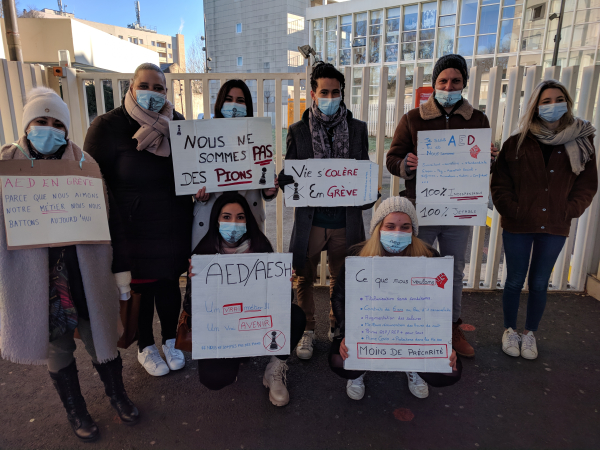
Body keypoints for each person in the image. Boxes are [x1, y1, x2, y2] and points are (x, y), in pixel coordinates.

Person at [0, 87, 139, 442]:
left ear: (66, 128)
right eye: (40, 121)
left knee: (101, 338)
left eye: (56, 123)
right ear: (27, 124)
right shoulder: (7, 166)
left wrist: (121, 273)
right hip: (38, 280)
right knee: (56, 346)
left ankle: (117, 395)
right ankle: (75, 408)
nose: (49, 130)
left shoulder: (85, 165)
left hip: (83, 274)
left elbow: (112, 223)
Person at [84, 63, 193, 376]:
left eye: (159, 88)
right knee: (141, 289)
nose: (152, 93)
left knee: (170, 284)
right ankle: (145, 346)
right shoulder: (107, 126)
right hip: (132, 230)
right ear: (130, 89)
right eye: (145, 86)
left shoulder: (179, 124)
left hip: (173, 225)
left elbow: (191, 170)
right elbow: (93, 179)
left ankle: (171, 340)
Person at [386, 54, 498, 358]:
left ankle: (450, 328)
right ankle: (412, 326)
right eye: (443, 81)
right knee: (416, 268)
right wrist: (405, 164)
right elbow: (392, 159)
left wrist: (491, 159)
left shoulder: (478, 120)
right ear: (434, 84)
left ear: (464, 83)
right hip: (422, 207)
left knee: (454, 270)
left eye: (455, 81)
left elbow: (483, 165)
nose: (449, 86)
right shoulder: (413, 118)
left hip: (460, 209)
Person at [491, 79, 597, 360]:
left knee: (539, 282)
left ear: (568, 102)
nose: (553, 105)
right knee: (514, 280)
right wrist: (512, 209)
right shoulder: (517, 142)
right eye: (546, 101)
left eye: (558, 99)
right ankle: (510, 330)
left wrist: (570, 209)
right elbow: (500, 182)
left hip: (555, 225)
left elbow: (587, 184)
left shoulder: (582, 141)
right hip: (519, 224)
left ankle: (530, 334)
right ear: (536, 106)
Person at [279, 62, 373, 360]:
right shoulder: (297, 130)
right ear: (313, 93)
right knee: (304, 277)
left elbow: (363, 173)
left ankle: (338, 326)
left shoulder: (358, 129)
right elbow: (291, 175)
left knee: (340, 277)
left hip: (345, 221)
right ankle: (307, 330)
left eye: (335, 91)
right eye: (324, 91)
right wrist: (284, 181)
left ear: (342, 93)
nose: (330, 97)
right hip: (311, 221)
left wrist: (369, 192)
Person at [329, 197, 460, 400]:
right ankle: (360, 368)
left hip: (413, 332)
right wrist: (349, 335)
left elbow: (439, 304)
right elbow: (339, 297)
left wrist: (443, 344)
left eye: (405, 227)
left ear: (413, 231)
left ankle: (414, 365)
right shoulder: (358, 256)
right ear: (378, 228)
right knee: (340, 361)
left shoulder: (430, 258)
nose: (397, 232)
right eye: (390, 226)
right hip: (369, 330)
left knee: (450, 371)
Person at [186, 192, 306, 406]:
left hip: (255, 323)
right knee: (214, 379)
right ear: (216, 220)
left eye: (240, 217)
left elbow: (284, 303)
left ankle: (274, 368)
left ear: (247, 220)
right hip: (223, 331)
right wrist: (196, 286)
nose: (234, 223)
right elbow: (191, 310)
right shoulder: (202, 254)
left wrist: (283, 284)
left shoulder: (261, 248)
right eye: (227, 217)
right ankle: (236, 356)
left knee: (295, 317)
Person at [192, 79, 278, 249]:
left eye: (240, 101)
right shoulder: (202, 137)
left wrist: (269, 191)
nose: (233, 106)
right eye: (228, 99)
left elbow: (266, 176)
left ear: (248, 107)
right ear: (219, 103)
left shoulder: (257, 136)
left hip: (247, 222)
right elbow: (191, 176)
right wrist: (198, 196)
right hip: (209, 220)